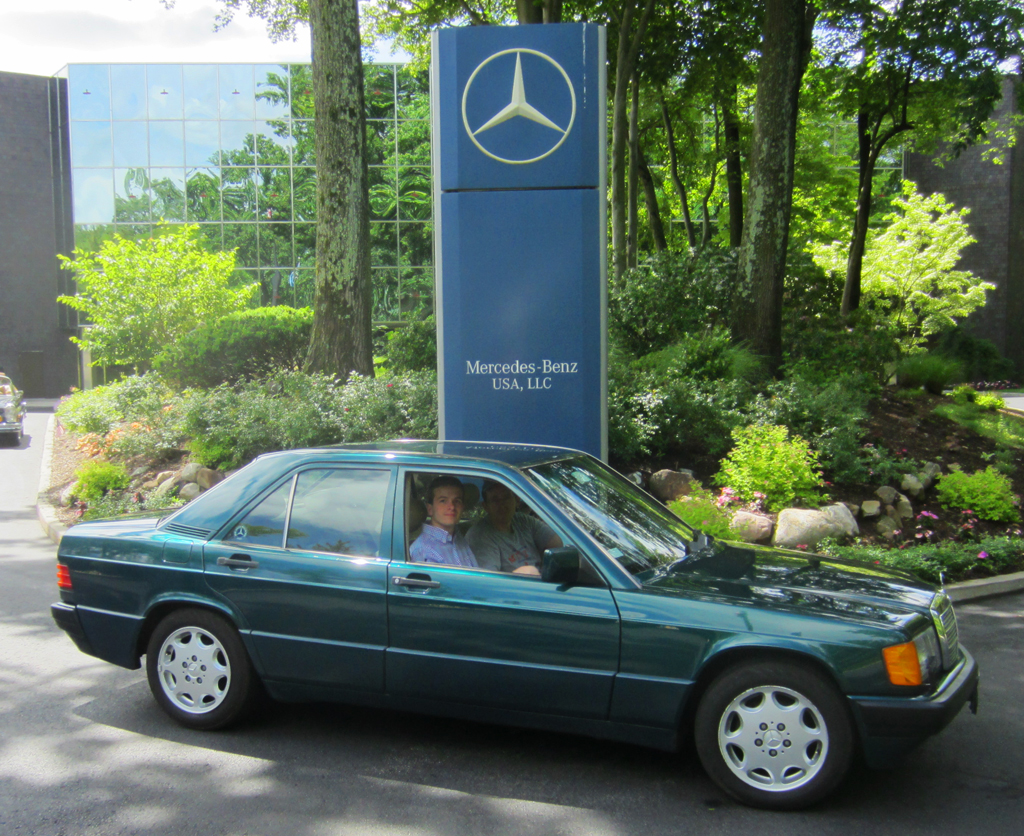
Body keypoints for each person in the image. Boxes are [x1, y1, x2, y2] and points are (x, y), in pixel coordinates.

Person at [467, 481, 562, 576]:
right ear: (486, 506)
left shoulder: (523, 521)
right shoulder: (480, 536)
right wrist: (527, 574)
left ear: (516, 500)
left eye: (506, 497)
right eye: (495, 500)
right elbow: (489, 581)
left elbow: (557, 544)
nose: (502, 504)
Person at [409, 475, 478, 567]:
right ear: (430, 509)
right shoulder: (423, 550)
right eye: (443, 501)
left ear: (462, 507)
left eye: (457, 501)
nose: (452, 507)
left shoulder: (458, 538)